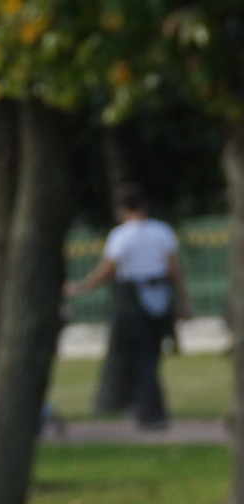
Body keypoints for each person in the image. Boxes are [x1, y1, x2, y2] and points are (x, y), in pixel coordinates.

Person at [69, 182, 188, 430]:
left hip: (132, 297)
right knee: (150, 355)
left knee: (139, 357)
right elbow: (174, 270)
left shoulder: (121, 236)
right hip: (159, 296)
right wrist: (183, 301)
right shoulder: (162, 231)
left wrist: (82, 286)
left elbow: (108, 269)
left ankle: (146, 409)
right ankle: (144, 405)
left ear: (121, 209)